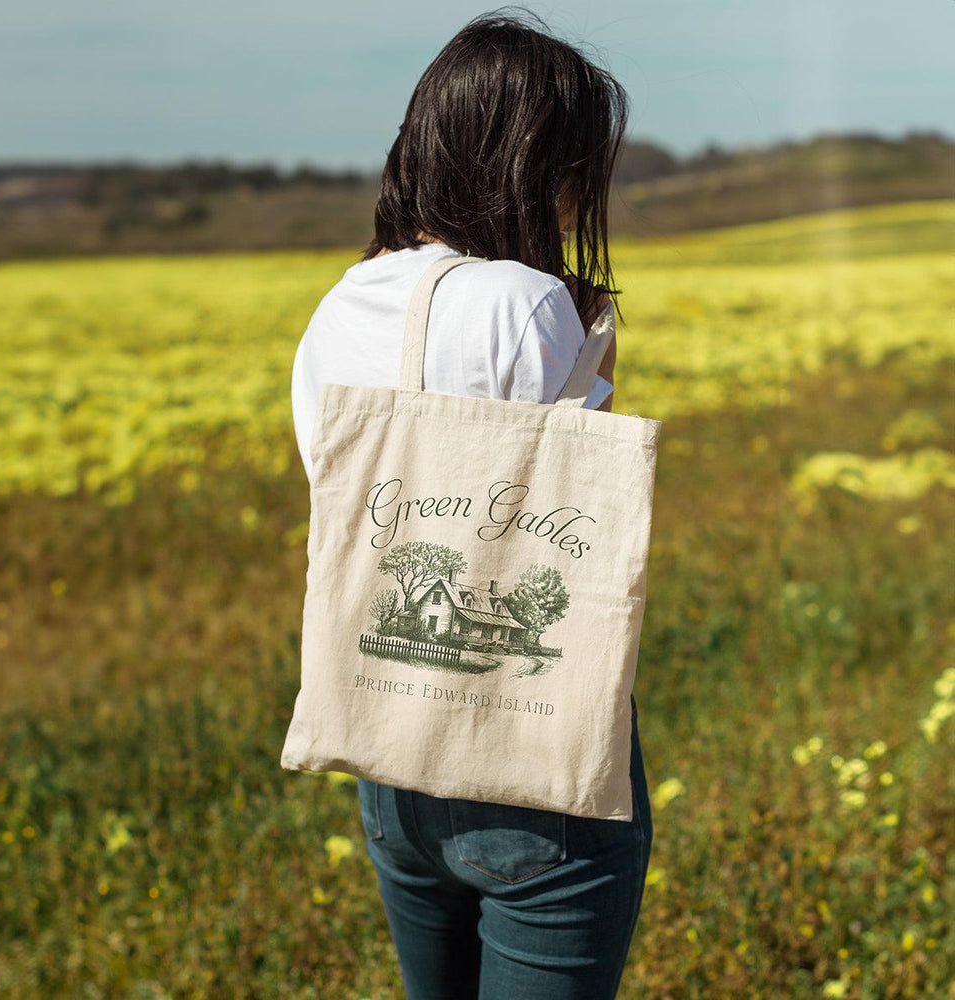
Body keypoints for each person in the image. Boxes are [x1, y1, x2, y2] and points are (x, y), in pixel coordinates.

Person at [290, 9, 652, 999]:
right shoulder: (522, 300)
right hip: (529, 764)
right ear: (531, 162)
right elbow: (565, 516)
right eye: (578, 164)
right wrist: (594, 356)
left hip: (387, 756)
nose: (584, 195)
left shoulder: (343, 300)